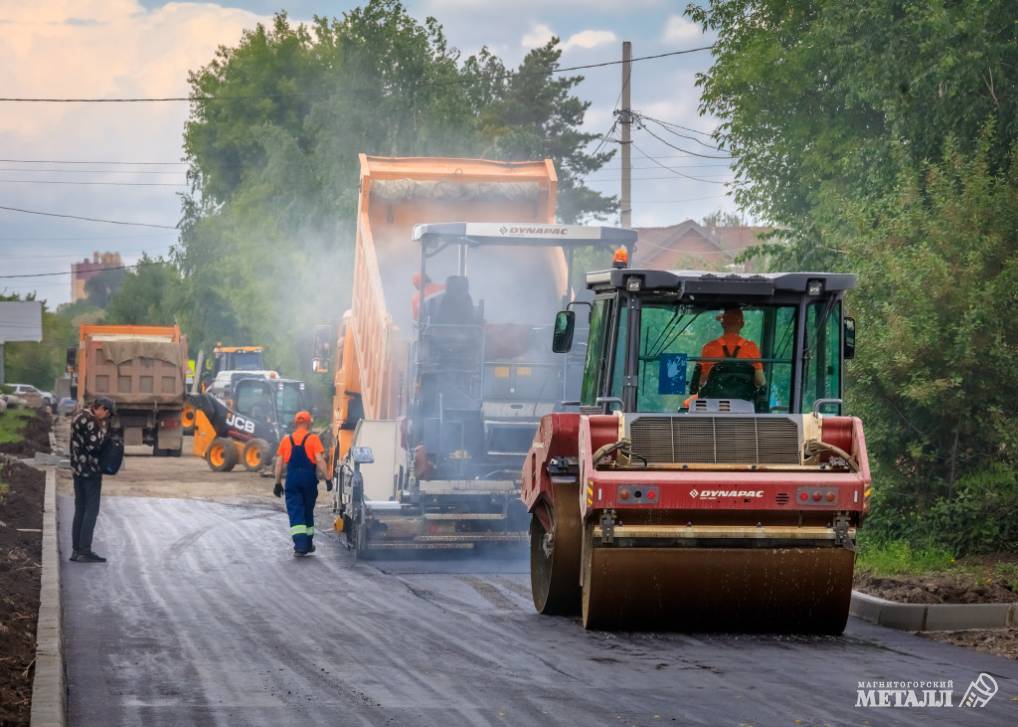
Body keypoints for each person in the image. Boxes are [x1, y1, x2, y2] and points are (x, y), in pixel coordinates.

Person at [273, 411, 330, 556]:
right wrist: (328, 478)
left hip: (292, 478)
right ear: (309, 423)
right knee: (307, 510)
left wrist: (277, 482)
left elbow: (279, 464)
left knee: (296, 511)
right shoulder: (313, 439)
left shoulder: (286, 440)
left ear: (295, 423)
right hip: (309, 478)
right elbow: (319, 460)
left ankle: (301, 546)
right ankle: (308, 543)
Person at [69, 396, 113, 563]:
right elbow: (94, 448)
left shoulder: (78, 416)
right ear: (101, 408)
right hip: (90, 471)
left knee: (80, 508)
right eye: (107, 414)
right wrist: (106, 439)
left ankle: (76, 550)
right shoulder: (91, 421)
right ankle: (85, 550)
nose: (106, 418)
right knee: (91, 510)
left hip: (77, 470)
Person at [698, 305, 766, 389]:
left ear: (722, 324)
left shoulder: (709, 347)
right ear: (742, 324)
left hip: (714, 399)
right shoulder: (751, 347)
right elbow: (760, 381)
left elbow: (701, 381)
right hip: (745, 399)